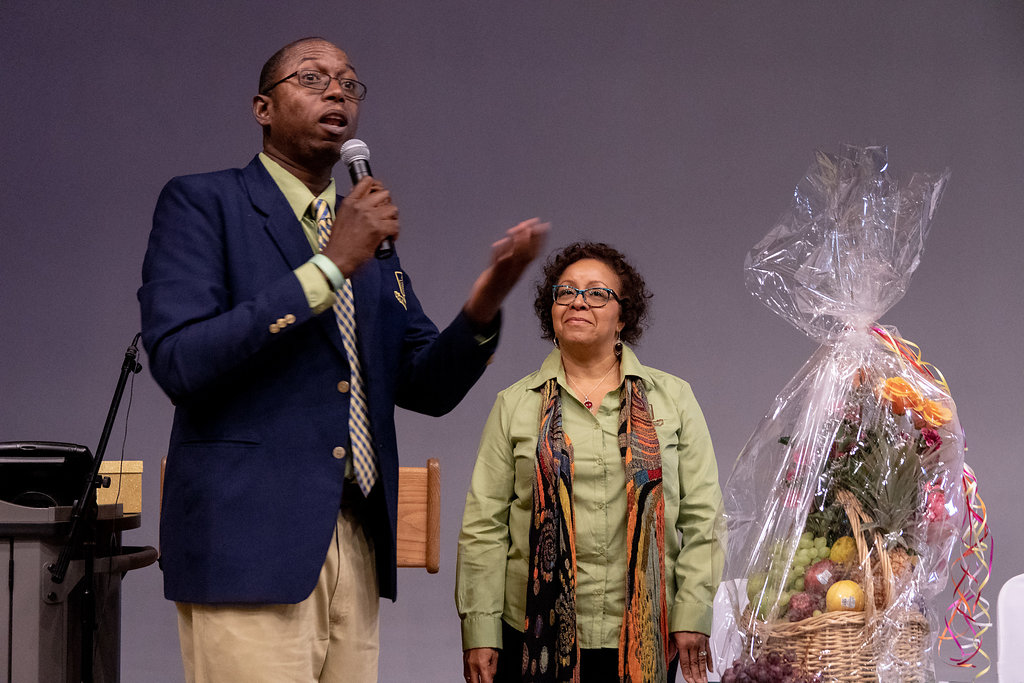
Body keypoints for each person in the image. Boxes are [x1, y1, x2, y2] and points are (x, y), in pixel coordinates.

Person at [139, 36, 547, 683]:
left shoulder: (364, 235)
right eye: (312, 78)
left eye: (349, 83)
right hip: (250, 543)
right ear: (263, 108)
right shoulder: (205, 203)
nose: (336, 91)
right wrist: (329, 266)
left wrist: (483, 307)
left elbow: (425, 386)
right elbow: (180, 361)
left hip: (355, 536)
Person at [456, 242, 723, 683]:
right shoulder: (514, 404)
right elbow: (483, 526)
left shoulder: (673, 399)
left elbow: (703, 518)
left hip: (645, 635)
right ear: (552, 312)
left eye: (597, 293)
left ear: (623, 317)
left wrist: (693, 609)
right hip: (531, 633)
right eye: (566, 292)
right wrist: (480, 628)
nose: (578, 301)